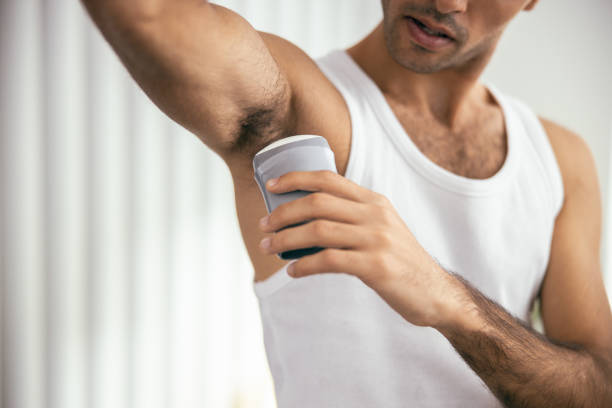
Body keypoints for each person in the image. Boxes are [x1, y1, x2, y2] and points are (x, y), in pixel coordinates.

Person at [81, 0, 612, 406]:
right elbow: (148, 15)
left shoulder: (559, 160)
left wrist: (448, 300)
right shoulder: (305, 108)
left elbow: (599, 387)